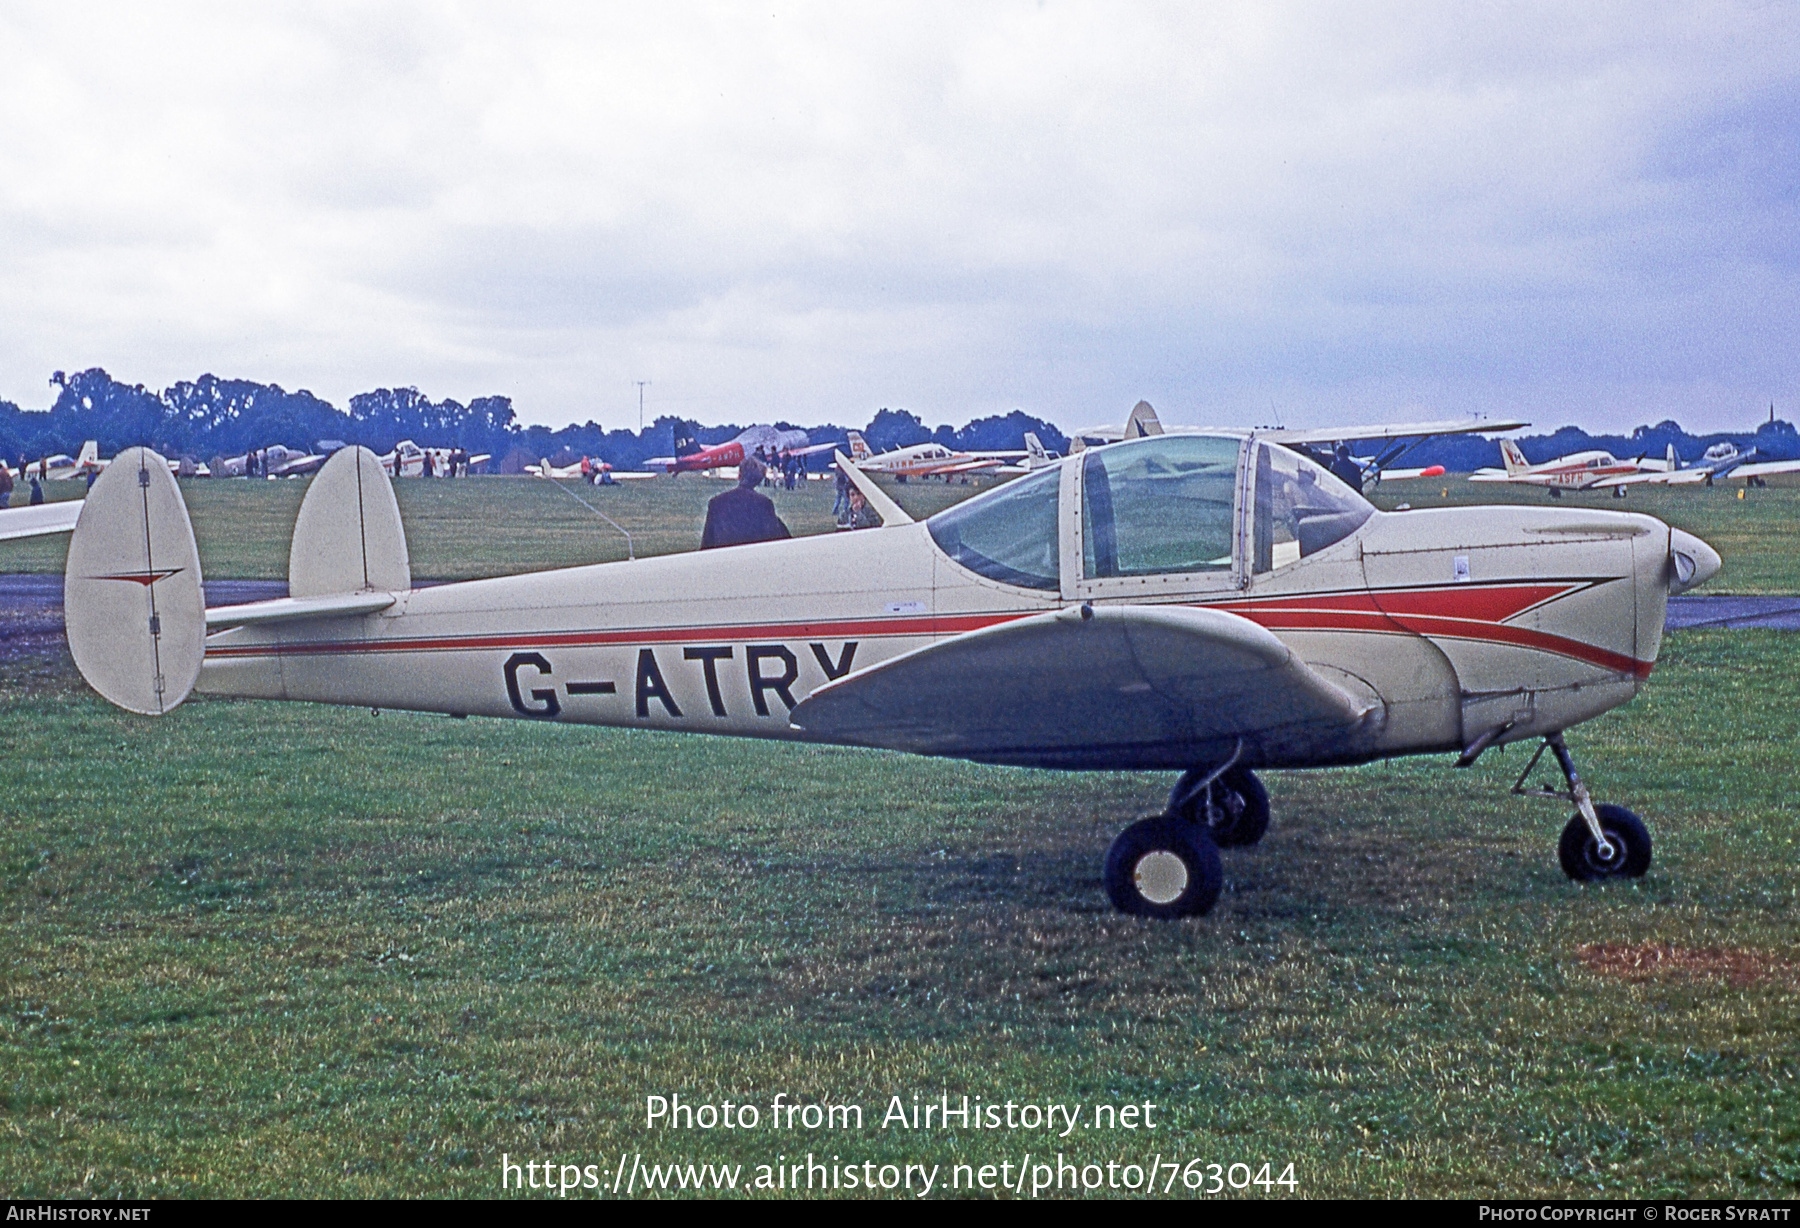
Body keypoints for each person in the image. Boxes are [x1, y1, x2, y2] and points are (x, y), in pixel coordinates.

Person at [701, 457, 791, 550]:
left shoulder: (716, 503)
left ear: (739, 475)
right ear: (760, 479)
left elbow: (707, 542)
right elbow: (774, 539)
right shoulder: (764, 504)